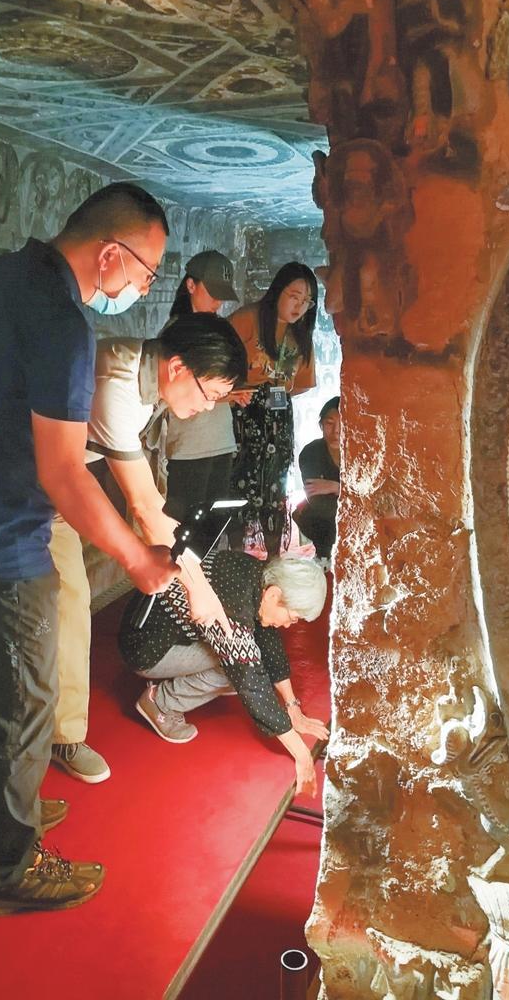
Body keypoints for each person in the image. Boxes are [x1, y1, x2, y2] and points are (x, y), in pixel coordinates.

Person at [0, 182, 179, 916]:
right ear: (110, 254)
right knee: (26, 701)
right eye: (146, 272)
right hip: (1, 538)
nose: (141, 288)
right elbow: (63, 473)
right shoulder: (62, 321)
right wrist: (137, 558)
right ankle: (9, 868)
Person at [50, 313, 248, 782]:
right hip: (18, 489)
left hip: (59, 490)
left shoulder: (147, 372)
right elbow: (143, 506)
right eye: (209, 394)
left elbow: (149, 503)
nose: (208, 408)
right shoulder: (116, 386)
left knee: (70, 605)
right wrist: (199, 592)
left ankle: (60, 733)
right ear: (178, 367)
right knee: (63, 608)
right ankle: (41, 738)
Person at [119, 553, 329, 795]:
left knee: (249, 654)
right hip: (146, 648)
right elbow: (250, 681)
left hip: (157, 628)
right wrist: (302, 754)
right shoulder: (234, 605)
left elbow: (268, 639)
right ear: (274, 595)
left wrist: (292, 707)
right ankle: (160, 702)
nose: (288, 625)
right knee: (235, 670)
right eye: (292, 618)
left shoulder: (258, 574)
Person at [229, 263, 318, 557]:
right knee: (241, 482)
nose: (299, 307)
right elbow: (217, 360)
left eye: (307, 301)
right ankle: (237, 555)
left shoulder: (300, 335)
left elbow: (302, 384)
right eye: (294, 296)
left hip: (278, 417)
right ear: (277, 291)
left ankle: (274, 558)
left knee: (275, 487)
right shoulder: (247, 319)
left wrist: (275, 394)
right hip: (244, 413)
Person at [162, 251, 252, 523]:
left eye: (222, 295)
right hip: (189, 445)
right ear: (191, 285)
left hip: (219, 440)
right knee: (184, 523)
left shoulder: (218, 331)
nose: (218, 302)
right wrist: (224, 395)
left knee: (213, 524)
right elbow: (171, 393)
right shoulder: (177, 332)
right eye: (213, 293)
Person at [293, 396, 341, 561]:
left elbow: (370, 495)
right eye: (329, 423)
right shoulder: (311, 453)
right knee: (316, 512)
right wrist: (349, 492)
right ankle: (324, 555)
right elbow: (317, 499)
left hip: (354, 512)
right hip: (325, 514)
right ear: (321, 425)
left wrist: (335, 487)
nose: (336, 431)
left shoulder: (362, 450)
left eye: (343, 423)